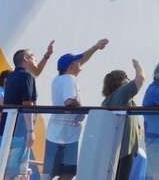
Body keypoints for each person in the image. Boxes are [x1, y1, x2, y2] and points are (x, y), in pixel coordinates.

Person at [45, 38, 110, 180]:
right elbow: (69, 102)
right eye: (77, 61)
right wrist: (83, 111)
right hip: (67, 135)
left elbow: (82, 59)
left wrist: (95, 47)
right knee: (68, 174)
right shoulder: (69, 79)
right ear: (72, 65)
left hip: (54, 131)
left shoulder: (58, 79)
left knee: (49, 173)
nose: (81, 63)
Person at [3, 43, 54, 180]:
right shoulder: (26, 77)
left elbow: (36, 71)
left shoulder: (12, 77)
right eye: (33, 57)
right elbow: (27, 104)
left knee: (15, 170)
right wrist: (30, 131)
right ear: (26, 58)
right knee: (14, 171)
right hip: (20, 131)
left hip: (10, 129)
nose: (35, 59)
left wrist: (46, 56)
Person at [102, 59, 146, 180]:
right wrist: (137, 65)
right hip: (121, 151)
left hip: (123, 150)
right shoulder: (120, 94)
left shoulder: (118, 98)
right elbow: (140, 79)